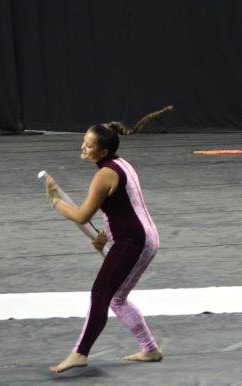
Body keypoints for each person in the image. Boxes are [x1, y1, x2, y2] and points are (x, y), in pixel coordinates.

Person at [46, 122, 162, 373]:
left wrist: (56, 203)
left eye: (89, 145)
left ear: (103, 152)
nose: (83, 147)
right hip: (144, 237)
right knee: (117, 299)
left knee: (101, 294)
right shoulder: (122, 164)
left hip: (133, 241)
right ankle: (150, 349)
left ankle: (80, 353)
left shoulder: (104, 175)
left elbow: (81, 216)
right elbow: (124, 208)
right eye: (84, 142)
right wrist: (106, 236)